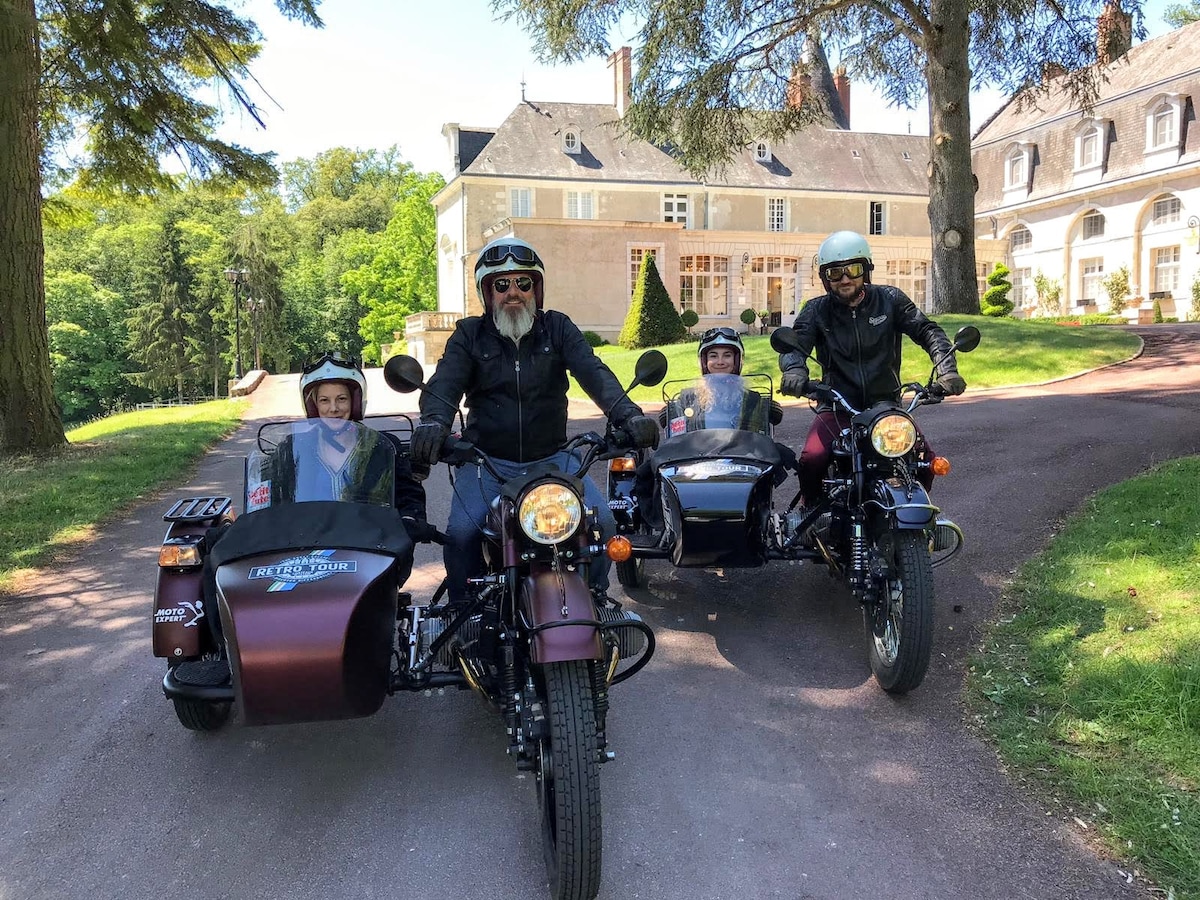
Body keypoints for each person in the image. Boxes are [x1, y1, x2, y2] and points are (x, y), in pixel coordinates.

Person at [408, 237, 660, 605]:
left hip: (554, 461)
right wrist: (433, 423)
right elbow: (444, 385)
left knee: (602, 523)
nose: (514, 292)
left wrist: (629, 414)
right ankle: (464, 615)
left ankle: (594, 598)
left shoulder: (557, 329)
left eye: (523, 283)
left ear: (536, 289)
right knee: (462, 534)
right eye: (502, 284)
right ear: (487, 292)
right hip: (486, 464)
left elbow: (594, 372)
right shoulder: (469, 335)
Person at [778, 230, 967, 507]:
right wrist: (794, 371)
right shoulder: (816, 310)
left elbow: (927, 331)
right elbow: (796, 344)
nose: (844, 278)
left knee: (925, 460)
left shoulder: (890, 299)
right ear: (825, 278)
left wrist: (946, 370)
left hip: (886, 407)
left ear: (865, 270)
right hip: (838, 407)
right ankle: (812, 514)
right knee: (812, 458)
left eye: (852, 269)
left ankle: (917, 516)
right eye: (834, 273)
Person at [280, 353, 432, 537]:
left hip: (372, 545)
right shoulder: (293, 448)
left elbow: (409, 494)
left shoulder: (383, 446)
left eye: (341, 399)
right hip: (310, 549)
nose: (334, 408)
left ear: (355, 401)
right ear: (313, 405)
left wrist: (410, 519)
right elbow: (273, 499)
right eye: (324, 400)